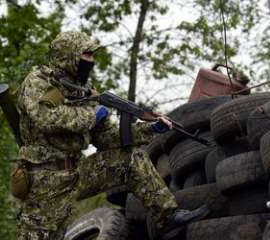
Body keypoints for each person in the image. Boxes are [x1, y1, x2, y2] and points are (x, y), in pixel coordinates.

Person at [13, 31, 208, 240]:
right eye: (86, 55)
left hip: (78, 173)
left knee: (131, 159)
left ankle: (167, 215)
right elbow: (46, 118)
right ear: (68, 55)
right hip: (45, 178)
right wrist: (92, 115)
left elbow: (107, 137)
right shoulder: (39, 82)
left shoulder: (85, 91)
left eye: (91, 55)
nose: (91, 60)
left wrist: (149, 129)